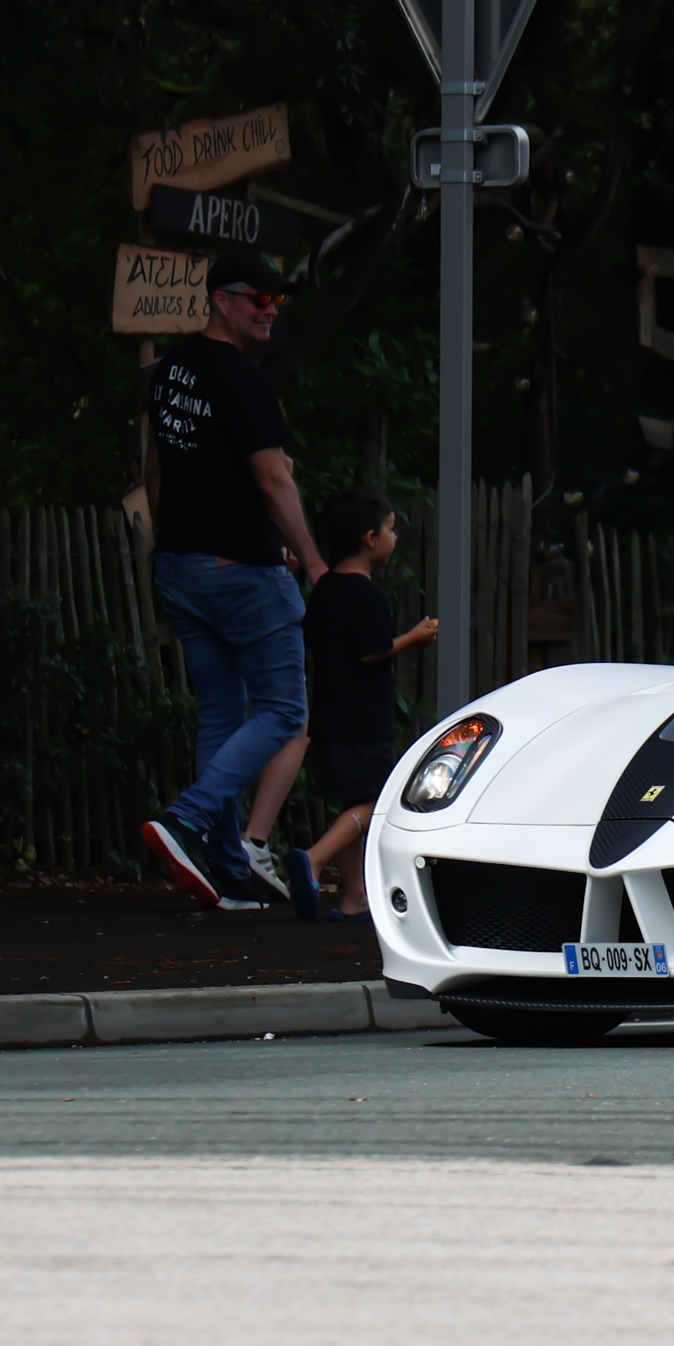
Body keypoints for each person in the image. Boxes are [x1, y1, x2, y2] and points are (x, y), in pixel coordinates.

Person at [138, 248, 329, 910]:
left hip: (182, 565)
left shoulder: (167, 374)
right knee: (283, 709)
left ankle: (222, 868)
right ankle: (186, 820)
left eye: (277, 302)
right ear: (222, 300)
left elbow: (157, 464)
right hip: (242, 570)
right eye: (259, 299)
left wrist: (167, 542)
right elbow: (273, 476)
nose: (270, 311)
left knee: (221, 713)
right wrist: (311, 559)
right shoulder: (244, 382)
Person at [287, 487, 439, 921]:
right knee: (377, 801)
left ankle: (354, 895)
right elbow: (371, 650)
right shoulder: (367, 595)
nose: (394, 539)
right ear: (370, 539)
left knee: (349, 804)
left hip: (330, 715)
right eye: (390, 530)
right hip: (365, 719)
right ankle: (314, 859)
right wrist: (414, 636)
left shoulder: (325, 590)